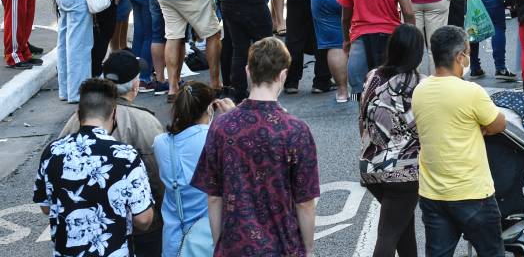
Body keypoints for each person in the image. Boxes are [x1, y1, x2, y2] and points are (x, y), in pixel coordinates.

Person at [192, 37, 320, 257]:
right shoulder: (296, 130)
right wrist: (308, 249)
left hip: (235, 245)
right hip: (283, 246)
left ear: (248, 71)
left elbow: (213, 196)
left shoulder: (221, 126)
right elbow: (305, 202)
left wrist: (218, 245)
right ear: (283, 75)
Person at [411, 26, 505, 257]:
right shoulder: (471, 92)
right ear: (459, 57)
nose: (468, 58)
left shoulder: (420, 90)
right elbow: (498, 124)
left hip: (433, 194)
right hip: (472, 193)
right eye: (467, 53)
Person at [34, 79, 155, 257]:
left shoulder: (53, 151)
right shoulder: (126, 156)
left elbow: (45, 206)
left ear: (78, 113)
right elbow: (143, 220)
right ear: (114, 114)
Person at [359, 25, 426, 257]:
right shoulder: (419, 83)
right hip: (403, 171)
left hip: (370, 164)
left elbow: (362, 117)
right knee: (389, 233)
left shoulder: (373, 76)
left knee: (402, 228)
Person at [154, 82, 234, 257]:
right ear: (210, 108)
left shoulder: (161, 143)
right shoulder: (216, 139)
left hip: (175, 239)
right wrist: (233, 118)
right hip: (210, 237)